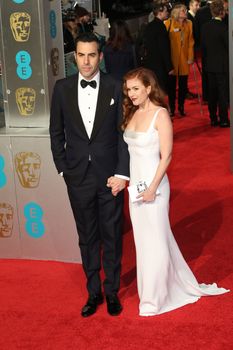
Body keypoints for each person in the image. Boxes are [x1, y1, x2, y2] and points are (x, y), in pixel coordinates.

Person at [122, 67, 229, 316]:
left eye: (136, 88)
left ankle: (154, 299)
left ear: (149, 88)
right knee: (143, 241)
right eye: (128, 89)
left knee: (157, 240)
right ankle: (152, 291)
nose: (132, 93)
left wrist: (152, 188)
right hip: (135, 188)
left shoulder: (160, 115)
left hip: (155, 187)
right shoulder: (131, 114)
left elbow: (167, 155)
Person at [49, 32, 129, 317]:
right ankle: (93, 291)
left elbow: (124, 135)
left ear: (100, 56)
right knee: (87, 237)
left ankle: (112, 291)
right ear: (74, 57)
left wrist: (122, 172)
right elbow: (56, 132)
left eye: (91, 55)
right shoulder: (62, 88)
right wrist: (63, 169)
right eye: (81, 55)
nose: (86, 61)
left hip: (110, 178)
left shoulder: (116, 86)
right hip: (78, 177)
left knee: (111, 236)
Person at [201, 0, 230, 127]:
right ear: (222, 12)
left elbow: (204, 47)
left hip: (209, 65)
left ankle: (213, 118)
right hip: (222, 66)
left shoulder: (205, 27)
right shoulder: (224, 28)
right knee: (222, 93)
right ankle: (223, 119)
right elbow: (228, 47)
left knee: (212, 93)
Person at [164, 3, 194, 116]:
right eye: (183, 11)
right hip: (172, 59)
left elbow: (191, 41)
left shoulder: (189, 24)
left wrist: (191, 57)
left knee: (183, 86)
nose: (185, 12)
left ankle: (181, 107)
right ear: (176, 13)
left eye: (185, 10)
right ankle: (172, 108)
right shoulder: (168, 23)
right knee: (171, 87)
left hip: (184, 59)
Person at [143, 0, 174, 93]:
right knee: (160, 91)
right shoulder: (160, 27)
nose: (167, 13)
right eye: (165, 11)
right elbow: (164, 48)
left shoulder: (149, 26)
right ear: (160, 13)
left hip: (150, 64)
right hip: (159, 65)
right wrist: (169, 67)